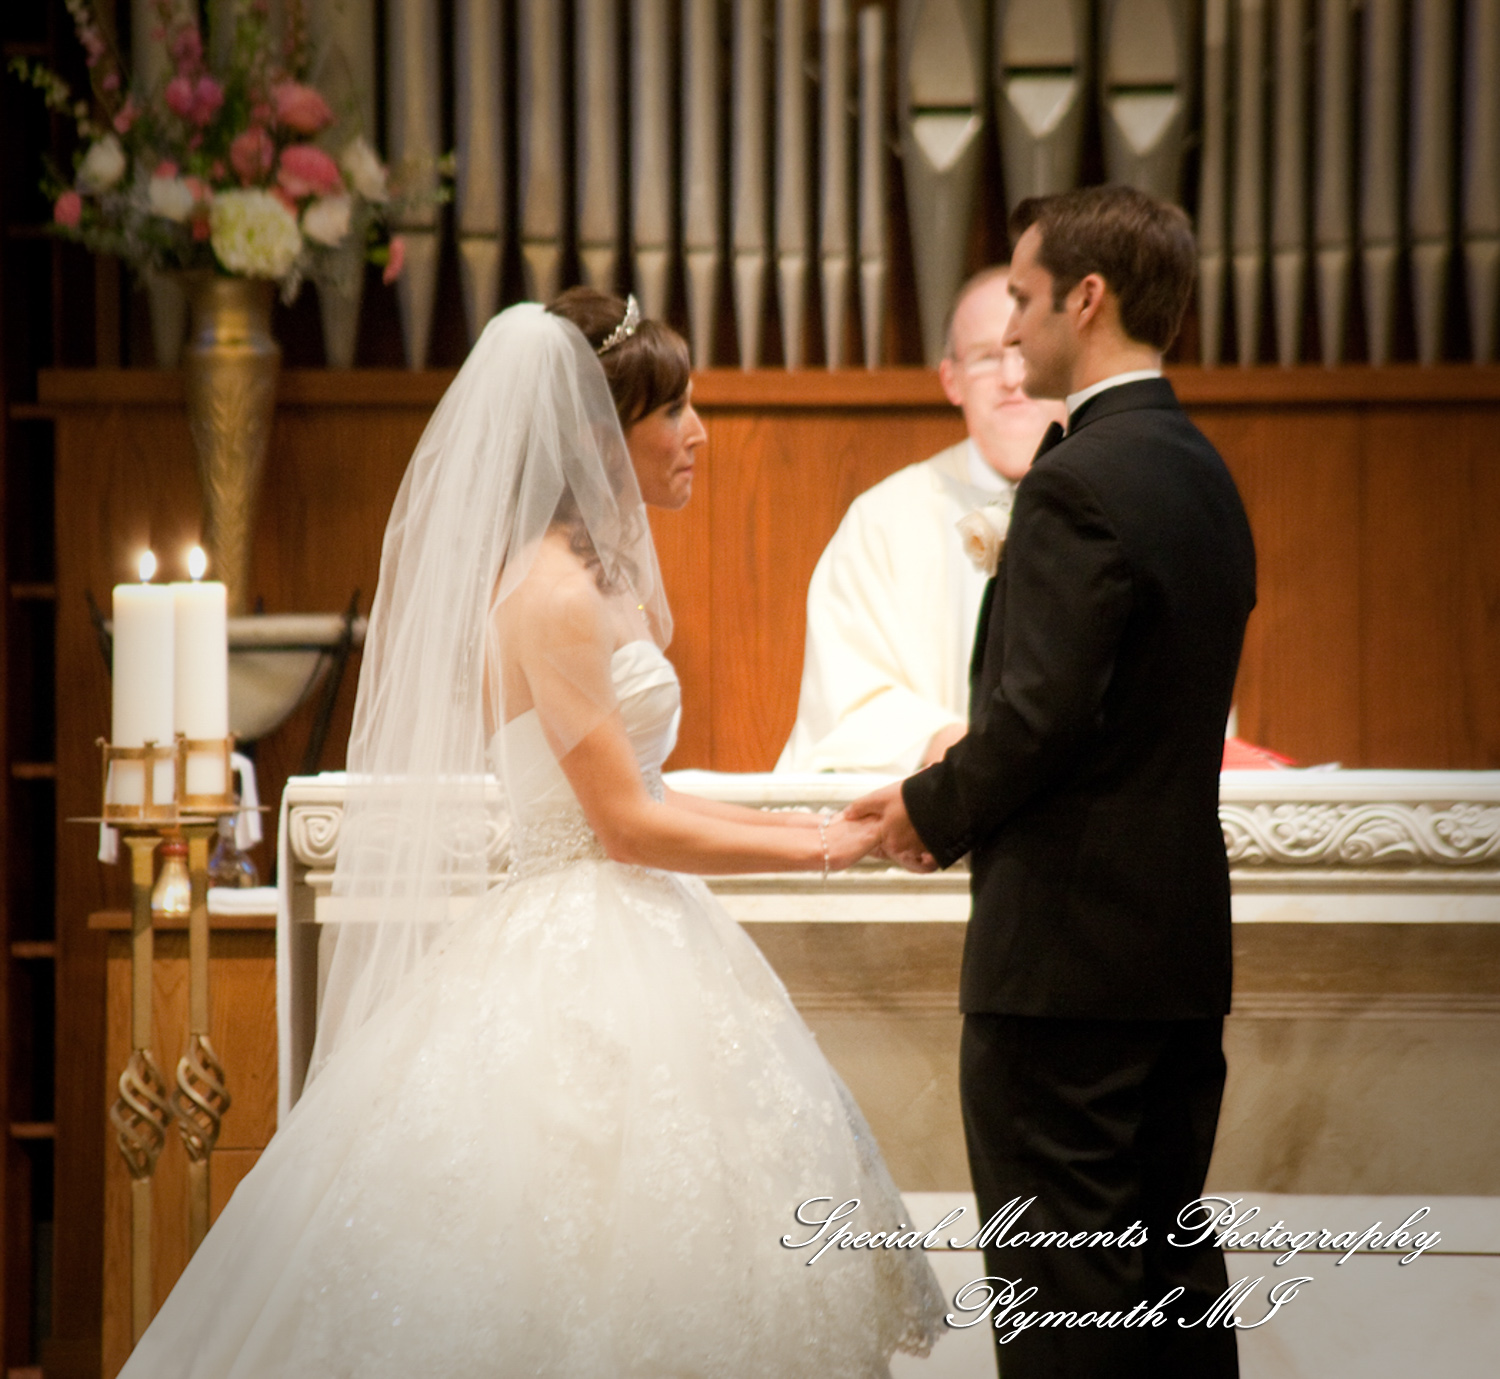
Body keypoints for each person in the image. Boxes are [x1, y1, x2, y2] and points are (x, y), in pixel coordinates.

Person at [117, 292, 945, 1378]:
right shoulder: (551, 593)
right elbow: (626, 823)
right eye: (676, 410)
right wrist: (834, 849)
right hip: (583, 934)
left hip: (634, 920)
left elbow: (647, 789)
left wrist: (822, 819)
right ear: (599, 435)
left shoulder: (594, 579)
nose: (697, 433)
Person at [850, 186, 1257, 1377]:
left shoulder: (1080, 478)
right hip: (1175, 954)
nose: (1013, 330)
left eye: (1024, 297)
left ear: (1089, 296)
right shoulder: (1201, 471)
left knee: (1070, 1309)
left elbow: (1039, 716)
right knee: (1173, 1291)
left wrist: (923, 810)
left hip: (1066, 973)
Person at [777, 267, 1064, 774]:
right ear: (950, 381)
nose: (1012, 380)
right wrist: (961, 750)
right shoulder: (883, 521)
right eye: (985, 358)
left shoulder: (1116, 504)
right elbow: (845, 698)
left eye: (1024, 352)